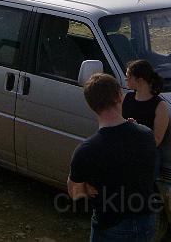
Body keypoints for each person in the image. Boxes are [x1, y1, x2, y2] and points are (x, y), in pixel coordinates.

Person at [68, 73, 159, 241]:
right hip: (146, 219)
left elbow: (74, 192)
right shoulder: (146, 135)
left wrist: (86, 188)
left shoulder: (86, 151)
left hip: (111, 223)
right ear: (119, 96)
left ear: (91, 105)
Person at [124, 59, 170, 176]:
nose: (126, 80)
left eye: (128, 77)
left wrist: (138, 128)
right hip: (126, 153)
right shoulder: (128, 97)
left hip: (146, 158)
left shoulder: (159, 105)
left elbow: (157, 140)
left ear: (140, 80)